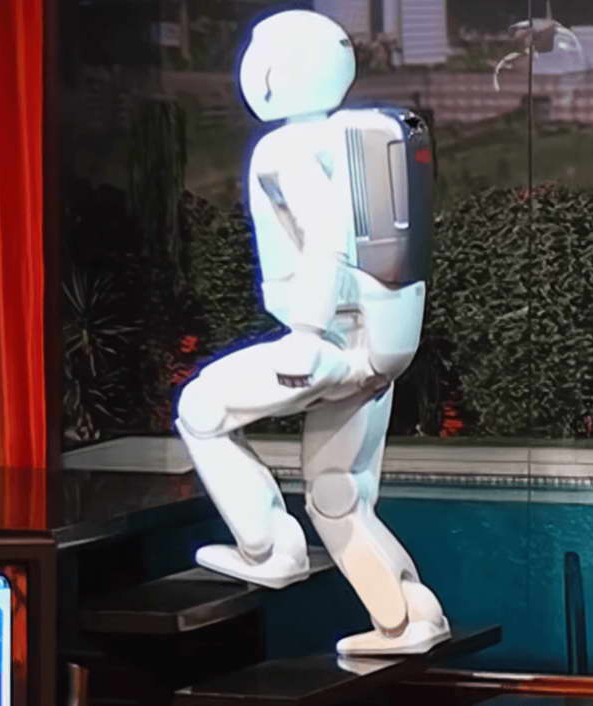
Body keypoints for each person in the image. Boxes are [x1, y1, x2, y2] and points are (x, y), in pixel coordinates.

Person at [176, 9, 450, 655]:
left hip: (329, 343)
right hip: (378, 347)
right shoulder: (346, 139)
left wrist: (304, 330)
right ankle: (410, 617)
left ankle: (269, 547)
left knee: (201, 409)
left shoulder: (286, 149)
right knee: (337, 497)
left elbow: (326, 234)